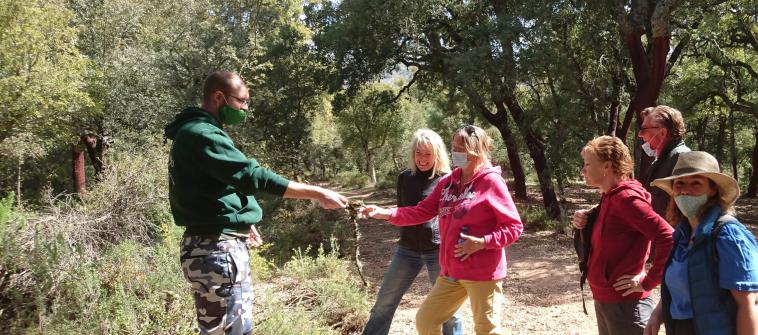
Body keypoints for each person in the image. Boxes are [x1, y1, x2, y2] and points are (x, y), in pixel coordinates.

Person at [165, 71, 350, 335]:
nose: (245, 108)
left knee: (216, 331)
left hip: (204, 247)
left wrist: (240, 220)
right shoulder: (203, 134)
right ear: (219, 97)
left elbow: (214, 186)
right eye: (242, 101)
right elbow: (253, 177)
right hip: (218, 250)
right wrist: (317, 193)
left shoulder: (190, 132)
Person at [361, 125, 523, 335]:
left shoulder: (491, 181)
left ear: (476, 150)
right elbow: (422, 211)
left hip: (482, 273)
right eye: (454, 147)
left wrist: (482, 242)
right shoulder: (448, 182)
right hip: (452, 272)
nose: (456, 152)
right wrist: (386, 213)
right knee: (426, 322)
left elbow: (514, 227)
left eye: (461, 148)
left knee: (487, 330)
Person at [644, 151, 758, 335]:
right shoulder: (682, 234)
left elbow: (748, 305)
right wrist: (656, 315)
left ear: (713, 189)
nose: (685, 190)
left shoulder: (728, 235)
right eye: (679, 183)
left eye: (696, 183)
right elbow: (681, 285)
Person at [361, 129, 463, 335]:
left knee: (449, 312)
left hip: (438, 251)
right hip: (406, 250)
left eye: (427, 154)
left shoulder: (449, 180)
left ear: (437, 154)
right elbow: (404, 212)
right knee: (383, 304)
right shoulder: (404, 178)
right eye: (418, 153)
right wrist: (383, 213)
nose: (422, 159)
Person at [573, 136, 674, 335]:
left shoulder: (626, 199)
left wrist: (648, 281)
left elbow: (668, 236)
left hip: (626, 305)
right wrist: (587, 218)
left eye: (587, 164)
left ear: (607, 166)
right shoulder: (610, 196)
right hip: (607, 300)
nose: (583, 170)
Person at [572, 105, 690, 231]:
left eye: (644, 129)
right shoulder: (663, 160)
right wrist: (594, 212)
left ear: (662, 132)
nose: (640, 135)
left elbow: (687, 211)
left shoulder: (681, 157)